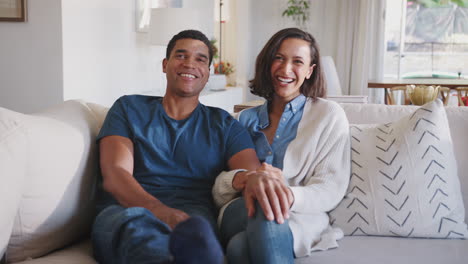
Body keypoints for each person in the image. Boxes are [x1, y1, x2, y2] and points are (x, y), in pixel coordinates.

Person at [91, 29, 263, 264]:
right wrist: (161, 211)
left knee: (195, 235)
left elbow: (251, 175)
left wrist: (256, 179)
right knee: (138, 231)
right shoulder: (128, 109)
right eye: (181, 56)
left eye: (200, 59)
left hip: (193, 218)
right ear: (165, 64)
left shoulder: (224, 125)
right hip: (127, 210)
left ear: (208, 72)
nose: (190, 64)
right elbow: (115, 175)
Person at [212, 28, 351, 263]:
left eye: (297, 61)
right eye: (279, 58)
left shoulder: (329, 116)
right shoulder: (242, 120)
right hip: (240, 211)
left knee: (239, 249)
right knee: (262, 199)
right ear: (267, 63)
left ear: (310, 71)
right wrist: (245, 179)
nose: (286, 69)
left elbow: (330, 189)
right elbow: (216, 186)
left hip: (302, 216)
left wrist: (285, 195)